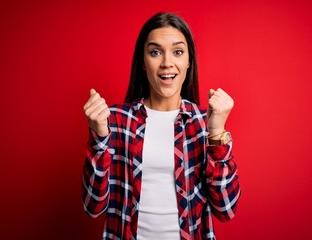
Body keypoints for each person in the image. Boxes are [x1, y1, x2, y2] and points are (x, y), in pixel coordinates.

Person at [82, 12, 240, 240]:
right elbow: (92, 207)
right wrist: (99, 137)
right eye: (155, 52)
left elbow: (226, 209)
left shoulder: (203, 122)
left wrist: (216, 134)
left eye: (177, 52)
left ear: (188, 61)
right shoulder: (115, 120)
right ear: (143, 63)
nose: (167, 63)